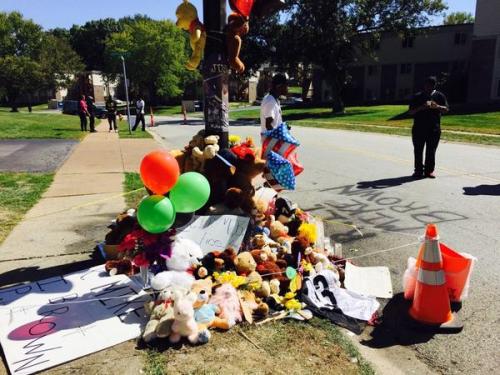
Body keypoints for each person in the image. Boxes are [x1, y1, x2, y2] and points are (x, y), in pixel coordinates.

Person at [408, 76, 449, 179]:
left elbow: (446, 109)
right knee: (418, 150)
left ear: (434, 85)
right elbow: (410, 112)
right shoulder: (417, 96)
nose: (428, 87)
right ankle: (418, 171)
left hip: (434, 129)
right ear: (424, 85)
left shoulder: (439, 96)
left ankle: (429, 171)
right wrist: (421, 107)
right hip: (418, 128)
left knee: (431, 150)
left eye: (431, 85)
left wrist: (437, 106)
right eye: (427, 85)